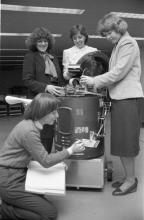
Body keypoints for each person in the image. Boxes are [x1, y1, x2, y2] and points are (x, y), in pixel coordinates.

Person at [80, 12, 144, 195]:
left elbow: (118, 72)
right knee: (120, 141)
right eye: (105, 34)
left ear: (119, 27)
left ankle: (131, 181)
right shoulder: (118, 45)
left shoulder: (128, 43)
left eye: (109, 32)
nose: (108, 37)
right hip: (119, 98)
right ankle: (128, 176)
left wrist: (94, 81)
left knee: (126, 142)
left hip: (127, 99)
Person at [0, 93, 85, 220]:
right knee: (49, 214)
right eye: (53, 112)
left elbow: (37, 155)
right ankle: (4, 210)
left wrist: (58, 162)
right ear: (42, 112)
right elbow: (45, 161)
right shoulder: (29, 131)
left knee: (40, 197)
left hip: (16, 174)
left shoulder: (30, 124)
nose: (57, 116)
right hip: (10, 180)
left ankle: (8, 202)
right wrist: (70, 150)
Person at [23, 27, 65, 153]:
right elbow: (27, 80)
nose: (43, 44)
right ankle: (37, 167)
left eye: (45, 41)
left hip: (53, 102)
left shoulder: (53, 57)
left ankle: (44, 163)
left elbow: (59, 79)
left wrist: (63, 88)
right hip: (39, 103)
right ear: (34, 43)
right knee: (39, 137)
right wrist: (46, 87)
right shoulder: (30, 57)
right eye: (39, 41)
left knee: (49, 135)